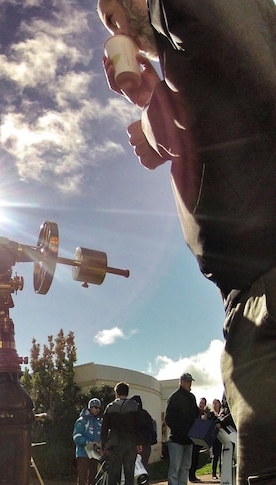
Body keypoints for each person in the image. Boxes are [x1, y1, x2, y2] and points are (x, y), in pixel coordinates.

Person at [95, 0, 276, 481]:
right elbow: (226, 107)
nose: (115, 30)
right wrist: (156, 99)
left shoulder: (176, 7)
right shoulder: (194, 42)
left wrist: (153, 119)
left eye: (111, 17)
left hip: (264, 288)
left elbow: (235, 88)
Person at [100, 382, 148, 485]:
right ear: (127, 393)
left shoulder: (110, 407)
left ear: (116, 393)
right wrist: (139, 443)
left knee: (113, 473)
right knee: (129, 473)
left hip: (114, 444)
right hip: (131, 443)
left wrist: (104, 445)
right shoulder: (134, 406)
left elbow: (104, 429)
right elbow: (139, 426)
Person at [165, 373, 198, 485]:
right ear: (182, 382)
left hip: (189, 439)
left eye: (191, 381)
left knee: (185, 468)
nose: (190, 384)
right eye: (188, 381)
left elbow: (195, 416)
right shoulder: (174, 397)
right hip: (176, 439)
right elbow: (168, 418)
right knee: (175, 469)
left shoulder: (192, 397)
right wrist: (180, 430)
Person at [73, 398, 103, 485]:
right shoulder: (82, 421)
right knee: (83, 478)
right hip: (83, 453)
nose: (98, 410)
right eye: (95, 407)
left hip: (95, 454)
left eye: (99, 408)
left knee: (93, 478)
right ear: (90, 408)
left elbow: (101, 436)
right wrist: (89, 443)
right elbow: (76, 436)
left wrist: (101, 445)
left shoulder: (99, 422)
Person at [130, 394, 157, 471]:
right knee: (144, 467)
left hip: (134, 445)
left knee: (133, 468)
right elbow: (151, 429)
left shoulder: (132, 415)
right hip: (146, 444)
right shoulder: (146, 414)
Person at [189, 397, 208, 483]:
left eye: (203, 403)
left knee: (196, 458)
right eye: (200, 402)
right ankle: (191, 476)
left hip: (199, 439)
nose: (201, 404)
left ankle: (193, 475)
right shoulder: (194, 411)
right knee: (192, 458)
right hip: (192, 438)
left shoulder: (204, 415)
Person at [208, 398, 228, 481]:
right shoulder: (211, 414)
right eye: (213, 403)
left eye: (216, 403)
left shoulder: (222, 413)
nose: (215, 405)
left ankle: (221, 472)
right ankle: (213, 473)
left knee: (222, 456)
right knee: (215, 456)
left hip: (222, 437)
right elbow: (210, 423)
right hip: (215, 438)